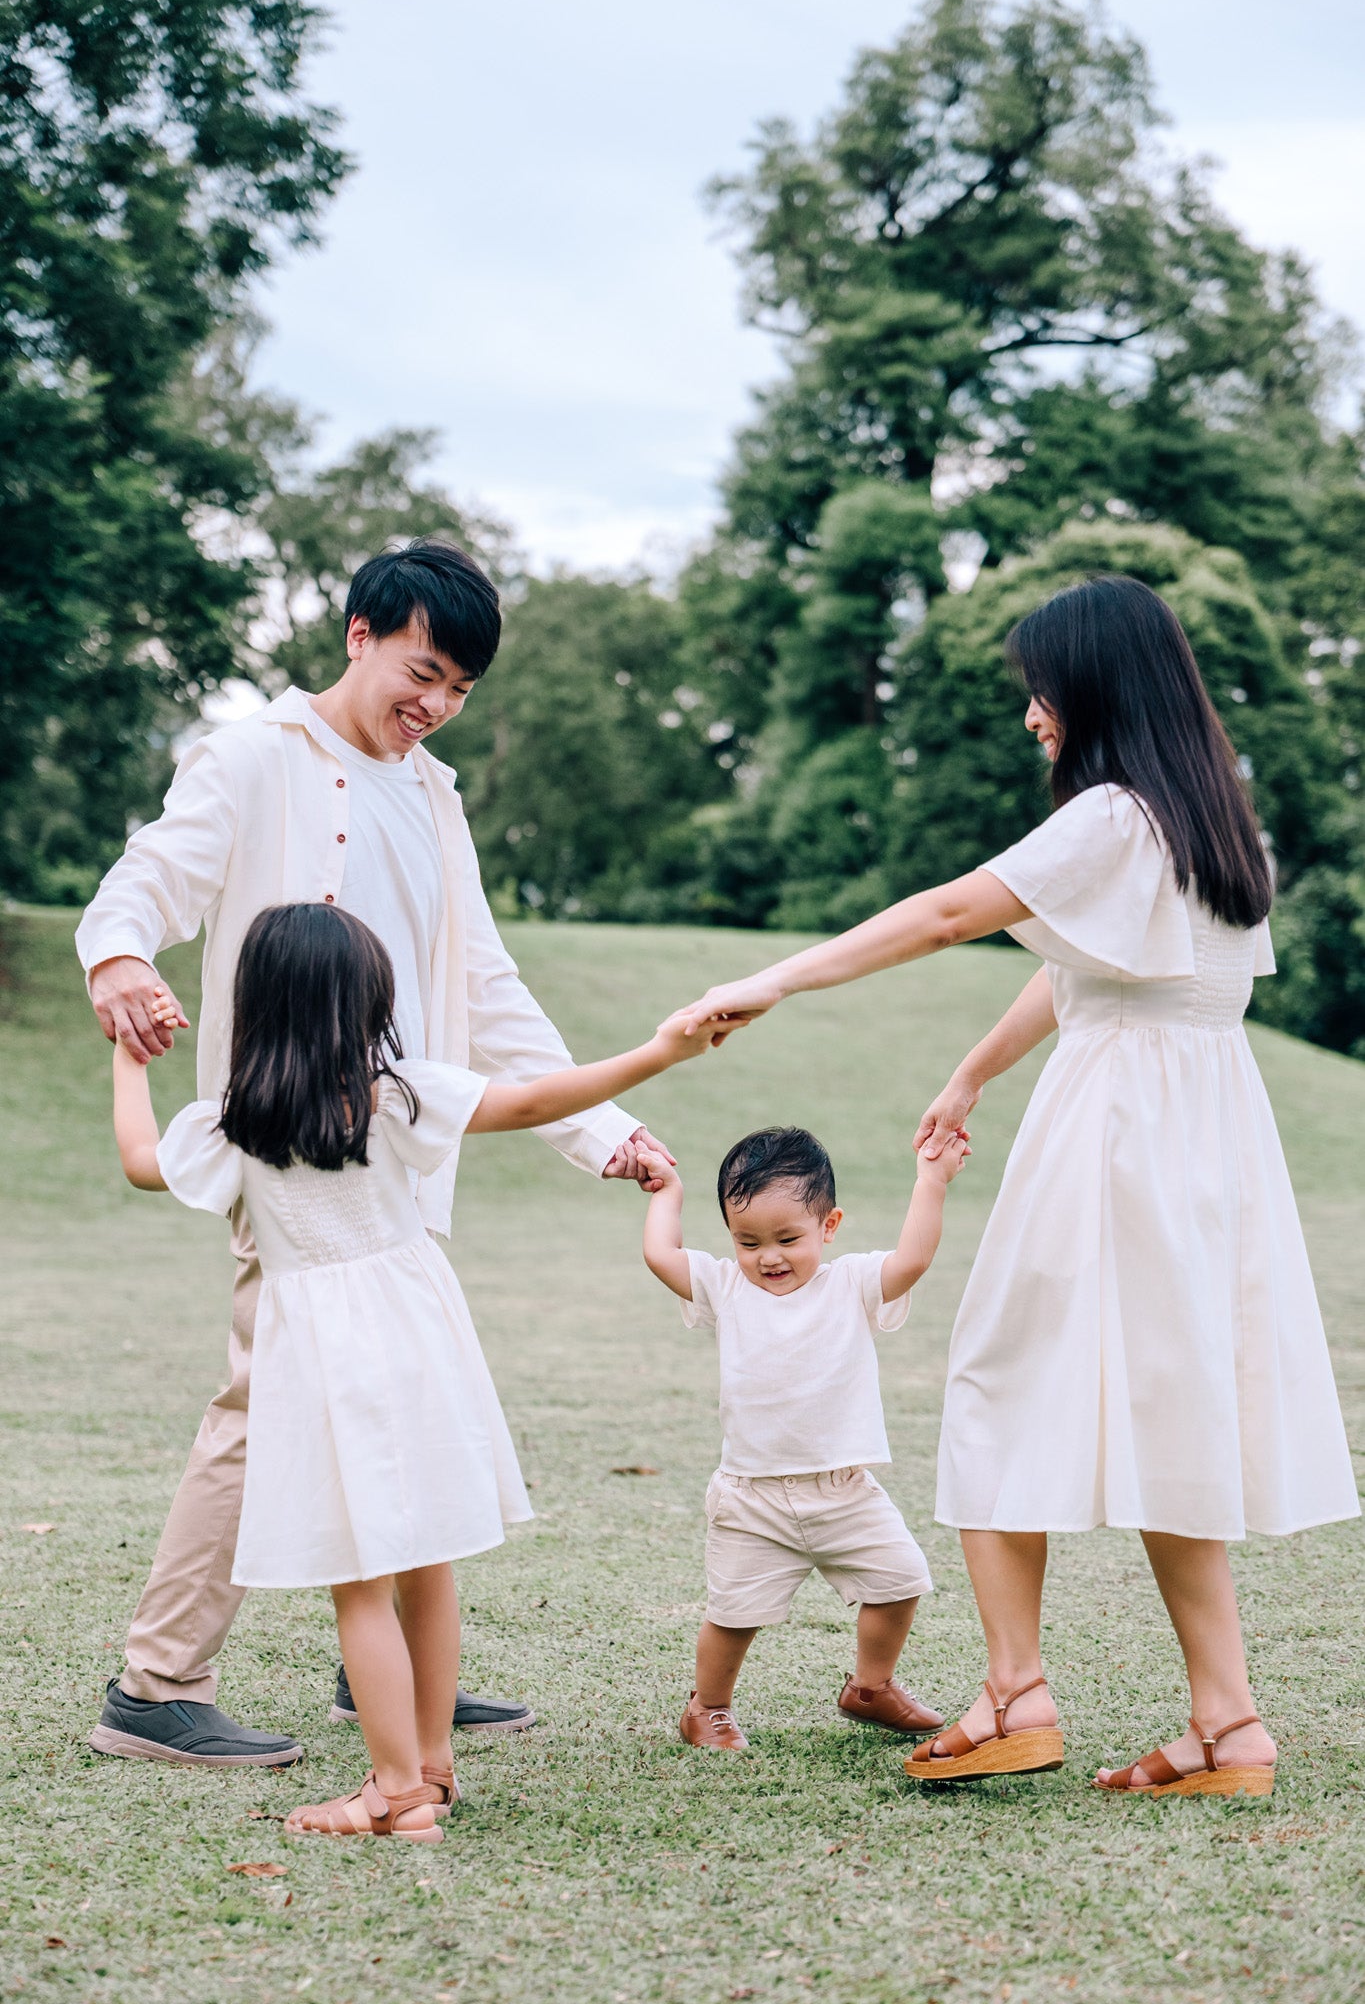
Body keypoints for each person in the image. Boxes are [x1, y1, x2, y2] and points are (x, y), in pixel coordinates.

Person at [681, 575, 1359, 1798]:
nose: (1032, 714)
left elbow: (952, 912)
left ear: (1089, 687)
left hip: (1113, 1129)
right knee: (1175, 1411)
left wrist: (777, 978)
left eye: (1040, 689)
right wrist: (976, 1067)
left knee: (993, 1377)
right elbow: (1096, 964)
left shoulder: (1108, 813)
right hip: (1208, 1133)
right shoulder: (1210, 814)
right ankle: (1229, 1723)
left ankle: (1012, 1692)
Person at [76, 538, 675, 1768]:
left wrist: (600, 1130)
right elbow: (154, 877)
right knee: (265, 1407)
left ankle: (387, 1684)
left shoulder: (435, 796)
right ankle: (159, 1680)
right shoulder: (250, 757)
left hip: (396, 1161)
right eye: (423, 669)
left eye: (459, 687)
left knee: (388, 1413)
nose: (437, 704)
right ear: (360, 633)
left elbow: (487, 984)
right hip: (282, 1150)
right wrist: (121, 955)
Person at [110, 903, 718, 1840]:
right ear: (367, 1004)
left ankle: (393, 1794)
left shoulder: (235, 1123)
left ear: (257, 1004)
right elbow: (536, 1100)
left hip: (321, 1351)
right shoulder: (394, 1095)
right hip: (420, 1334)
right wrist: (658, 1053)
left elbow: (142, 1163)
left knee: (361, 1583)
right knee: (426, 1566)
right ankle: (428, 1770)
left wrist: (129, 1058)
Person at [639, 1123, 968, 1751]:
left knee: (901, 1581)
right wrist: (666, 1193)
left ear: (830, 1225)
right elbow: (662, 1256)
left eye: (788, 1238)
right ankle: (707, 1708)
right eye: (748, 1241)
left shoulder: (851, 1284)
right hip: (752, 1497)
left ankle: (870, 1688)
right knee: (734, 1615)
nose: (770, 1256)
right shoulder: (726, 1286)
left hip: (845, 1490)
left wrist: (932, 1181)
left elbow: (914, 1258)